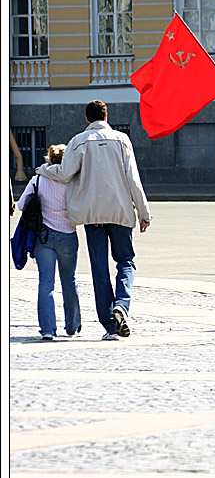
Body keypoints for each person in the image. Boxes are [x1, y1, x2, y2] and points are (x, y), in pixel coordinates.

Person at [37, 100, 151, 340]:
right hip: (120, 212)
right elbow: (133, 179)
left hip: (92, 214)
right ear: (106, 116)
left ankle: (110, 326)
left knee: (100, 270)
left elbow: (66, 173)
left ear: (87, 119)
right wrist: (143, 213)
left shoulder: (78, 141)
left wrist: (43, 170)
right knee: (126, 261)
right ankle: (122, 305)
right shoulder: (122, 140)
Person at [17, 144, 81, 340]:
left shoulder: (38, 179)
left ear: (50, 160)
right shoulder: (72, 181)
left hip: (43, 237)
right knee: (69, 282)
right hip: (68, 235)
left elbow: (21, 205)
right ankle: (72, 327)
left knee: (46, 283)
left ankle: (47, 329)